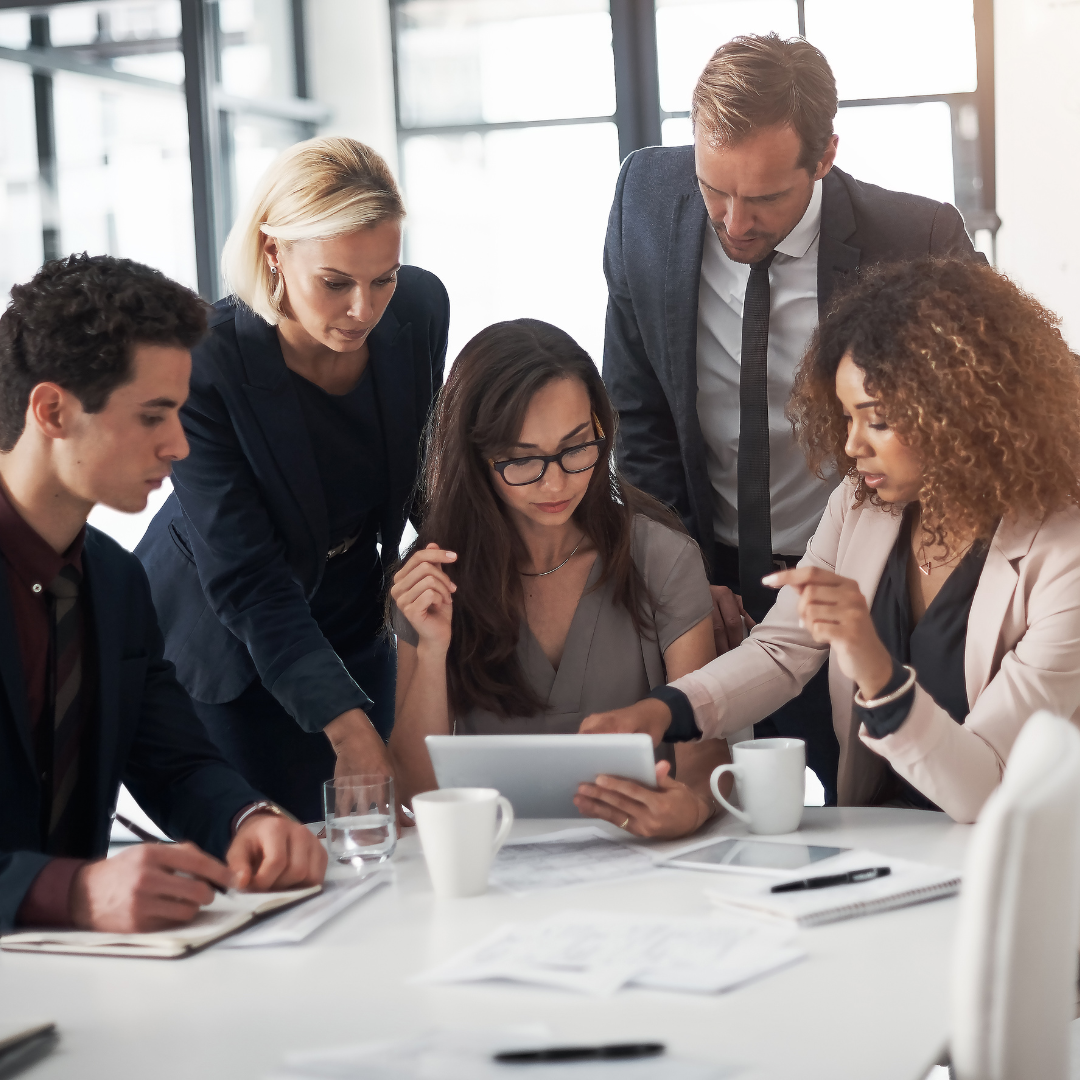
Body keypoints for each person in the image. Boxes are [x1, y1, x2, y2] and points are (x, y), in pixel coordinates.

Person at [602, 33, 982, 804]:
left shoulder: (916, 239)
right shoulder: (645, 196)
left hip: (859, 571)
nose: (735, 222)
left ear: (825, 155)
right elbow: (637, 411)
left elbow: (975, 419)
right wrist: (683, 569)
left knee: (871, 806)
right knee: (706, 816)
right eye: (716, 189)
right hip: (705, 572)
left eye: (767, 197)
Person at [582, 257, 1080, 823]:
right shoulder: (863, 503)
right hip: (884, 841)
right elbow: (781, 649)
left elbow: (987, 787)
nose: (852, 447)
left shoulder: (1065, 560)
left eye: (879, 419)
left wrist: (876, 667)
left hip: (1010, 858)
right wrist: (665, 712)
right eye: (846, 417)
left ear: (962, 409)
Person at [0, 254, 325, 933]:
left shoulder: (116, 583)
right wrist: (70, 893)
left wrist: (248, 819)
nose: (178, 445)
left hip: (77, 983)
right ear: (52, 410)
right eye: (154, 416)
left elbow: (174, 762)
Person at [137, 137, 449, 823]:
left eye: (383, 278)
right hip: (232, 639)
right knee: (287, 859)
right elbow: (248, 578)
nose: (364, 309)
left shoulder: (419, 308)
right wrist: (350, 727)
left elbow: (428, 470)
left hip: (347, 606)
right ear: (274, 252)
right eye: (335, 282)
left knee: (379, 837)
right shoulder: (207, 361)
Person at [387, 320, 729, 838]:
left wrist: (692, 808)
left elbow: (703, 765)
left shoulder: (661, 558)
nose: (556, 482)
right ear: (476, 459)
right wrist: (432, 652)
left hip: (642, 861)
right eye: (522, 460)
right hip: (494, 863)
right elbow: (415, 794)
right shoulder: (435, 575)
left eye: (576, 448)